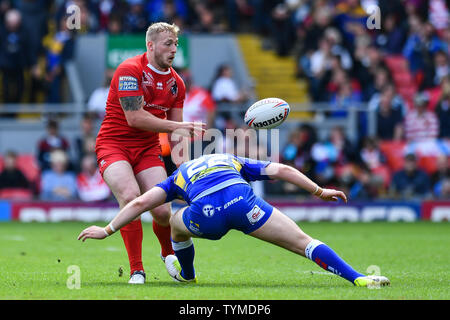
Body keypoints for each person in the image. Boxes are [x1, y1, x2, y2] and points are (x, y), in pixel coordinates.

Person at [78, 153, 390, 288]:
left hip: (207, 218)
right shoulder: (229, 159)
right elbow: (281, 170)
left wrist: (107, 229)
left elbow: (142, 202)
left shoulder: (177, 176)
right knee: (304, 243)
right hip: (245, 205)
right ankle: (357, 278)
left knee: (172, 219)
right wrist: (319, 190)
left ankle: (186, 273)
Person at [94, 22, 205, 284]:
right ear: (151, 45)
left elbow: (179, 136)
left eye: (176, 44)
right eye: (168, 44)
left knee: (162, 211)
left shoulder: (177, 83)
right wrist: (178, 126)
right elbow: (134, 118)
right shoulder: (129, 70)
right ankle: (136, 270)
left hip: (147, 149)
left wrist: (185, 169)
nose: (173, 49)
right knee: (130, 196)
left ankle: (168, 254)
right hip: (113, 144)